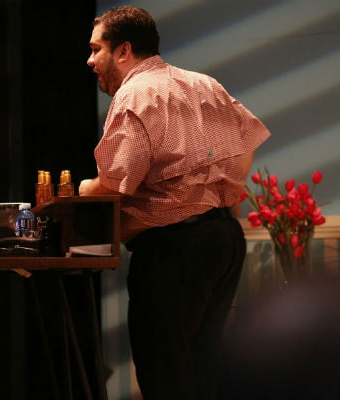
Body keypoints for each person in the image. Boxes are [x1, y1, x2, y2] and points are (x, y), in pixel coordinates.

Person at [79, 6, 270, 400]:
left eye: (96, 49)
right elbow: (247, 146)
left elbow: (116, 183)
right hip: (223, 239)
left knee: (166, 374)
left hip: (174, 249)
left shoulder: (135, 93)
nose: (90, 60)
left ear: (123, 50)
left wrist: (84, 189)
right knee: (204, 371)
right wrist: (222, 194)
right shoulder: (203, 84)